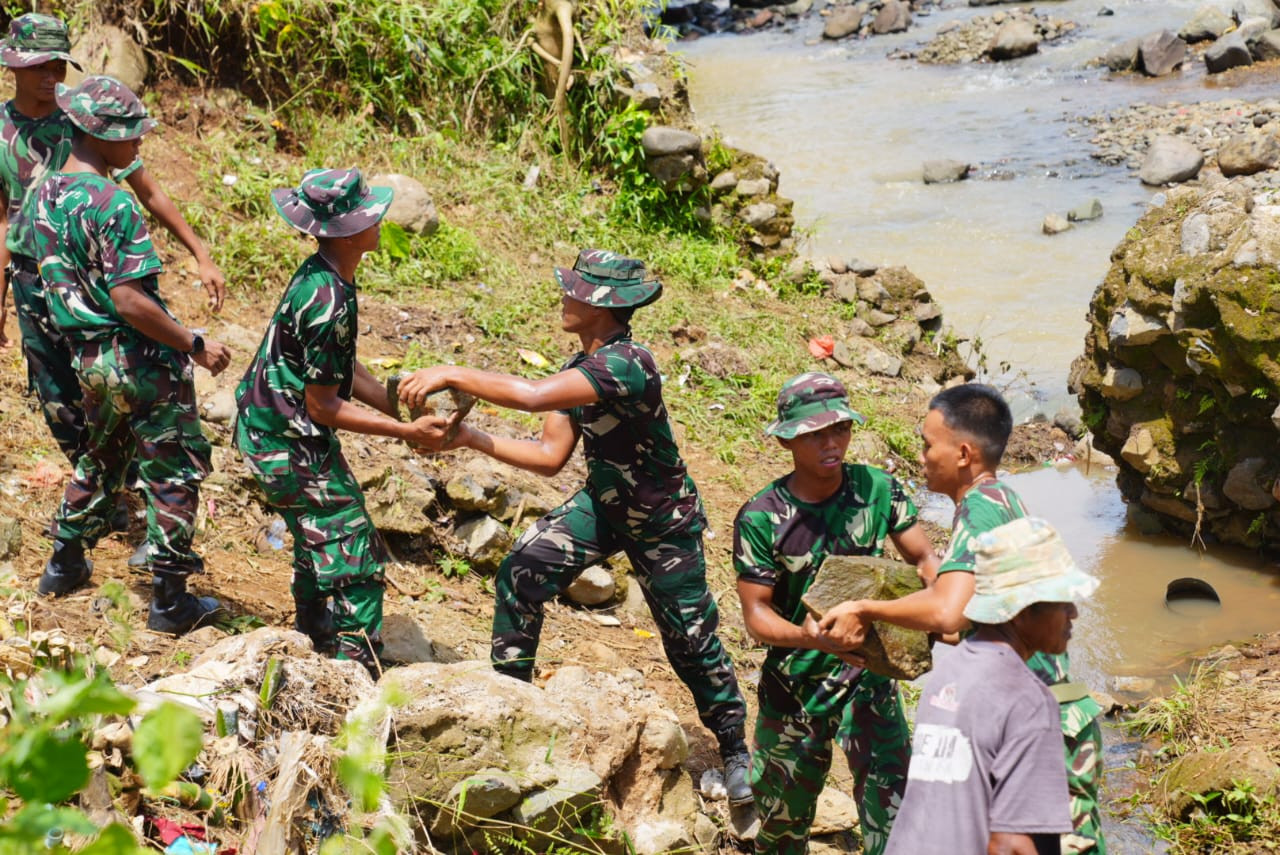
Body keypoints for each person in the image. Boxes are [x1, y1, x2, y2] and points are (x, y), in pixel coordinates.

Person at [397, 249, 753, 802]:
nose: (565, 297)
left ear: (605, 307)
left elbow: (532, 395)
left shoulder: (627, 362)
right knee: (522, 572)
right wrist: (471, 439)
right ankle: (511, 704)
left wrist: (452, 372)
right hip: (605, 507)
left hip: (662, 520)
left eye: (577, 293)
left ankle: (734, 748)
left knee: (689, 637)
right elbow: (548, 455)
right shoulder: (578, 367)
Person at [817, 384, 1107, 853]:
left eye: (929, 444)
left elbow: (947, 611)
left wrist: (865, 608)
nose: (923, 455)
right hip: (1048, 710)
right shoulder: (1000, 499)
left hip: (1029, 723)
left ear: (964, 453)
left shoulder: (977, 508)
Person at [30, 76, 231, 635]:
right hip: (139, 362)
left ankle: (64, 564)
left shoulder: (46, 192)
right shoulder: (113, 202)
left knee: (100, 457)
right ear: (95, 133)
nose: (139, 144)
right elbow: (129, 300)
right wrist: (194, 342)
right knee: (173, 470)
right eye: (130, 135)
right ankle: (170, 602)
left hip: (89, 361)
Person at [234, 168, 450, 673]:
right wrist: (405, 432)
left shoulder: (323, 273)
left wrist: (397, 403)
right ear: (349, 231)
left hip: (271, 427)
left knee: (320, 530)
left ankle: (311, 636)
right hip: (286, 439)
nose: (378, 219)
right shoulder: (328, 301)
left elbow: (337, 365)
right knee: (355, 554)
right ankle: (358, 673)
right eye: (368, 214)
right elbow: (323, 406)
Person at [0, 14, 226, 459]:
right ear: (13, 67)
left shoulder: (84, 114)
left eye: (58, 66)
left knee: (120, 374)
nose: (50, 77)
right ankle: (97, 485)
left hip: (95, 271)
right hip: (33, 276)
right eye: (39, 67)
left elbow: (147, 189)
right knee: (56, 392)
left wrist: (200, 252)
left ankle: (133, 473)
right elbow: (3, 223)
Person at [732, 372, 939, 855]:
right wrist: (812, 639)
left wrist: (941, 594)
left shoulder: (876, 488)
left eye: (840, 430)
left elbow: (924, 558)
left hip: (870, 673)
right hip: (797, 683)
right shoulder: (763, 517)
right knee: (784, 816)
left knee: (894, 806)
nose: (831, 443)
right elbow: (756, 616)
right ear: (787, 437)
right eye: (814, 434)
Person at [885, 516, 1097, 855]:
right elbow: (1010, 845)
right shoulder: (1027, 698)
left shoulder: (949, 671)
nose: (1073, 614)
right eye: (1062, 601)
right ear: (1020, 610)